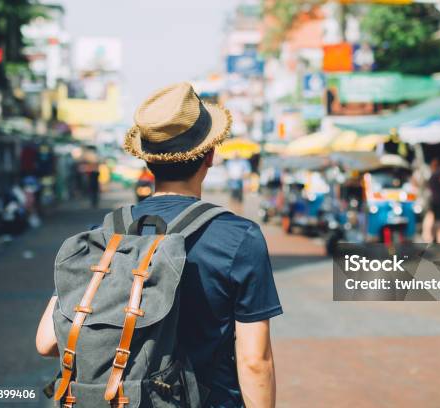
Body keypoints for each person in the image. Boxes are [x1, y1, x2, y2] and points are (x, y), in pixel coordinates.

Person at [36, 83, 282, 408]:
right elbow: (254, 361)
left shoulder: (103, 236)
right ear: (209, 155)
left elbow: (47, 341)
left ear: (147, 162)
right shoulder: (239, 237)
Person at [422, 158, 440, 244]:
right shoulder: (439, 175)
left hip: (434, 201)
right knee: (439, 222)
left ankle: (430, 238)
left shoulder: (433, 175)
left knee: (433, 220)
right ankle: (438, 239)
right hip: (439, 201)